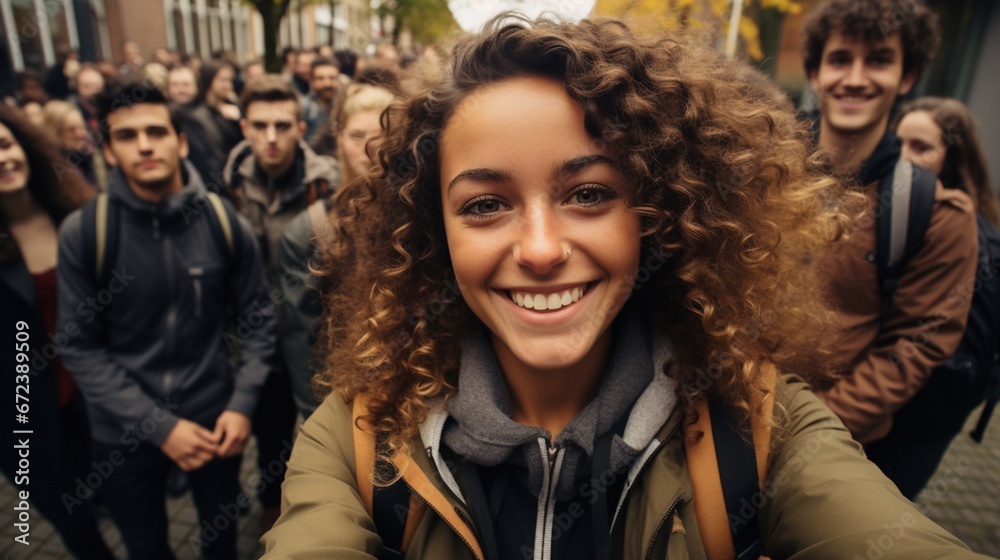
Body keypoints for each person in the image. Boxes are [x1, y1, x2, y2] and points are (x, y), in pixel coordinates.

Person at [260, 16, 989, 559]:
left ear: (657, 212)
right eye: (485, 205)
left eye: (587, 195)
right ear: (432, 233)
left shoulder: (761, 427)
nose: (541, 249)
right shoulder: (357, 435)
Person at [57, 76, 275, 560]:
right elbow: (79, 346)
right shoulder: (86, 232)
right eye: (127, 136)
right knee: (147, 546)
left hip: (215, 420)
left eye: (156, 132)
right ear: (109, 152)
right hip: (122, 435)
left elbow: (259, 318)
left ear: (179, 142)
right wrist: (159, 427)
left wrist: (241, 404)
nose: (144, 146)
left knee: (221, 543)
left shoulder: (223, 221)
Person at [803, 0, 980, 495]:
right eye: (840, 59)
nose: (855, 77)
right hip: (716, 422)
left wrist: (805, 433)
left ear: (907, 77)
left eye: (879, 59)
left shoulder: (937, 215)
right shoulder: (760, 173)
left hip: (828, 451)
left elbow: (914, 348)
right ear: (815, 73)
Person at [224, 75, 340, 534]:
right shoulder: (227, 186)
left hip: (312, 331)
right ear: (244, 128)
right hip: (254, 337)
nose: (271, 137)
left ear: (300, 127)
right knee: (269, 428)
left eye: (281, 125)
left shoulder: (326, 186)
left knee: (318, 424)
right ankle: (271, 503)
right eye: (260, 125)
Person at [0, 103, 115, 560]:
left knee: (122, 501)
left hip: (95, 397)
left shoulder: (75, 211)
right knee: (76, 524)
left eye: (6, 145)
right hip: (25, 419)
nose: (2, 160)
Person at [876, 96, 1000, 496]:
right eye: (899, 144)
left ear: (955, 159)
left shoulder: (972, 240)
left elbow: (957, 356)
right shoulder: (896, 217)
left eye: (922, 147)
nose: (905, 158)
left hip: (914, 427)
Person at [278, 83, 395, 418]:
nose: (370, 148)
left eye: (382, 134)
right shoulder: (311, 230)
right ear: (340, 141)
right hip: (343, 400)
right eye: (357, 136)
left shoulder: (424, 215)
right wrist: (315, 419)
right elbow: (302, 340)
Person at [41, 100, 105, 189]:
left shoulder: (92, 156)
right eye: (71, 129)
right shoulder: (52, 169)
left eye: (81, 126)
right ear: (54, 132)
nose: (81, 133)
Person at [302, 56, 342, 146]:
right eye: (320, 78)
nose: (327, 83)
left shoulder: (343, 106)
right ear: (311, 81)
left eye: (332, 78)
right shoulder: (304, 107)